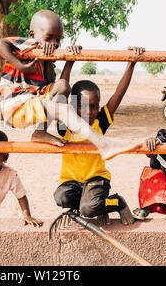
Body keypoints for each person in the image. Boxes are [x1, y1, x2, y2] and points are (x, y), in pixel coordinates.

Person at [0, 9, 136, 160]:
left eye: (58, 40)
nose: (53, 44)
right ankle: (104, 145)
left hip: (32, 103)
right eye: (49, 38)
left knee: (63, 86)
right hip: (15, 104)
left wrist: (68, 59)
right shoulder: (29, 45)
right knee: (62, 106)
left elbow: (56, 86)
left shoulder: (47, 60)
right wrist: (21, 66)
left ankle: (41, 131)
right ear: (32, 35)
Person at [53, 46, 145, 225]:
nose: (89, 111)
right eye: (83, 106)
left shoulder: (100, 122)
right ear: (72, 106)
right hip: (71, 180)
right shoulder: (66, 124)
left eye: (94, 106)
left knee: (88, 209)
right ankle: (97, 205)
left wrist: (131, 64)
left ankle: (116, 202)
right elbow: (61, 91)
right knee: (61, 198)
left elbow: (119, 94)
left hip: (96, 179)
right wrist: (70, 61)